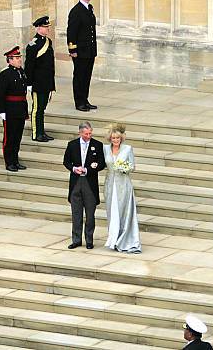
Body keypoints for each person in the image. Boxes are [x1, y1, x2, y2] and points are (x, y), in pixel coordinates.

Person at [63, 121, 106, 249]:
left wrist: (88, 169)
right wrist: (74, 168)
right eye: (86, 133)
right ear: (80, 132)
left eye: (90, 133)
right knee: (76, 213)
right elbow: (66, 161)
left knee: (90, 214)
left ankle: (89, 240)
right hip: (76, 182)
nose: (89, 135)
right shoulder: (72, 145)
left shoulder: (97, 145)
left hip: (89, 183)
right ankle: (76, 239)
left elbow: (101, 163)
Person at [103, 123, 142, 253]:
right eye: (113, 138)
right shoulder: (105, 149)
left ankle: (124, 239)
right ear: (110, 138)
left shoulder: (127, 149)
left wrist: (124, 168)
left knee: (123, 211)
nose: (115, 140)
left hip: (124, 184)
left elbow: (132, 166)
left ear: (121, 138)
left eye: (118, 138)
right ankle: (113, 239)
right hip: (110, 184)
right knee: (112, 211)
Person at [0, 46, 29, 172]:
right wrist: (1, 111)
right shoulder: (5, 74)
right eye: (16, 58)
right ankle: (9, 161)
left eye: (19, 57)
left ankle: (15, 159)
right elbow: (0, 94)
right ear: (9, 60)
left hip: (20, 109)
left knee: (17, 137)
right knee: (9, 138)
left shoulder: (21, 72)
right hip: (10, 110)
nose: (19, 60)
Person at [67, 0, 98, 112]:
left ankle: (85, 99)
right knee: (79, 76)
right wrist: (72, 49)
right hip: (80, 51)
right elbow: (71, 32)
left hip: (89, 50)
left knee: (86, 76)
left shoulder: (89, 9)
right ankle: (79, 102)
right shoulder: (76, 11)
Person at [25, 15, 55, 142]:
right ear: (38, 28)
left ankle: (42, 131)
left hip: (46, 81)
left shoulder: (48, 41)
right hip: (37, 82)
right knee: (37, 109)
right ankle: (36, 133)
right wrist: (29, 83)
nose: (48, 29)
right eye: (45, 27)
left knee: (42, 108)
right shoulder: (33, 45)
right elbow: (29, 65)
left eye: (48, 26)